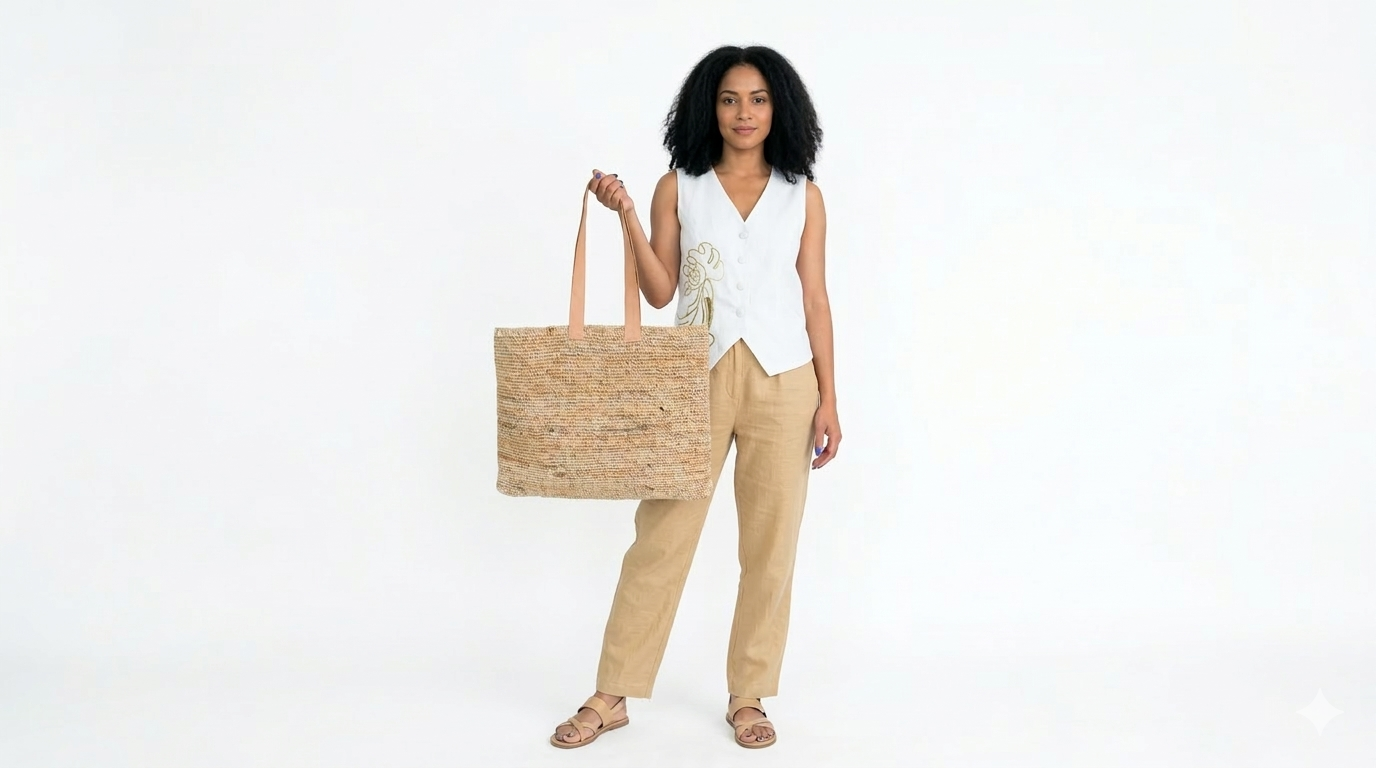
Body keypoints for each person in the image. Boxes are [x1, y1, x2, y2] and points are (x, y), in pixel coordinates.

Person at [550, 44, 841, 750]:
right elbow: (660, 292)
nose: (744, 113)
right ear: (709, 108)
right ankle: (612, 694)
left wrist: (829, 399)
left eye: (759, 99)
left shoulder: (803, 195)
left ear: (779, 109)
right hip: (694, 378)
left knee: (770, 547)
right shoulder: (678, 186)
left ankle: (750, 696)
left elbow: (815, 297)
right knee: (660, 539)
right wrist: (626, 214)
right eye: (730, 99)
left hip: (785, 380)